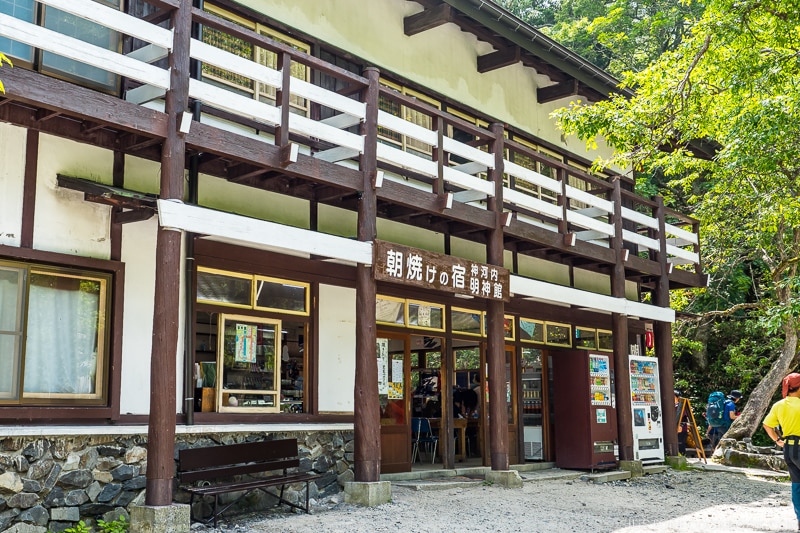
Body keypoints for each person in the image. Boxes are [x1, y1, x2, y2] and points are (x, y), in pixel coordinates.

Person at [763, 373, 800, 531]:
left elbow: (767, 425)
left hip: (789, 449)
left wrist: (778, 441)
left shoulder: (779, 405)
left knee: (797, 485)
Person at [675, 390, 689, 455]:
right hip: (675, 429)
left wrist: (680, 426)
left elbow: (685, 418)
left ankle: (683, 458)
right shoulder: (672, 406)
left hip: (681, 429)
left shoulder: (681, 406)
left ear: (678, 398)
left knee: (681, 444)